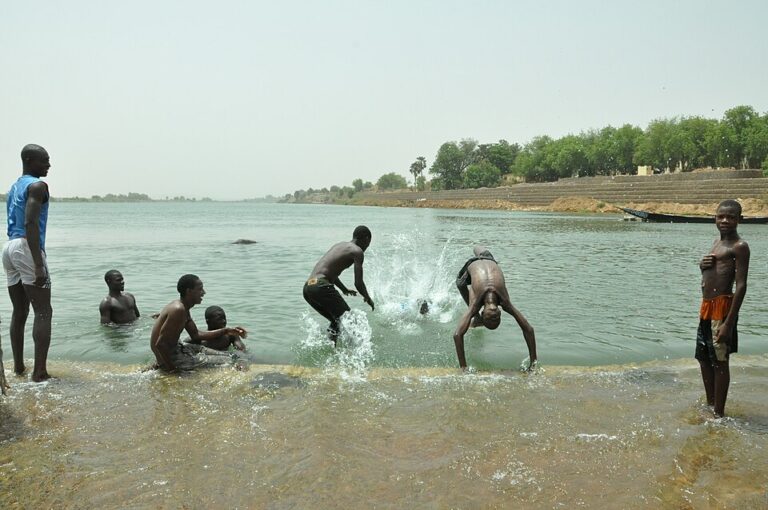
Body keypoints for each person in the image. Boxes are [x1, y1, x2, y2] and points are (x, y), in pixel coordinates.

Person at [2, 144, 53, 382]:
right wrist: (38, 264)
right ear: (30, 160)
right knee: (43, 311)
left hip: (9, 247)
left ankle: (19, 367)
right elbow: (31, 223)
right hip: (26, 246)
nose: (48, 165)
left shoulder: (15, 186)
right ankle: (39, 373)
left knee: (19, 311)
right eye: (44, 161)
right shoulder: (37, 186)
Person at [696, 199, 750, 418]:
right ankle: (710, 404)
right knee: (703, 357)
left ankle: (719, 413)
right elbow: (714, 273)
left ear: (740, 220)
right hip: (707, 308)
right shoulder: (716, 243)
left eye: (731, 217)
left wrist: (728, 323)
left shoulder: (739, 246)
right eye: (721, 216)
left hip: (723, 309)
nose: (725, 220)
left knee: (720, 360)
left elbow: (742, 285)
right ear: (714, 219)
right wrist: (702, 267)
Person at [453, 246, 537, 370]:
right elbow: (457, 335)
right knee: (460, 284)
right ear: (500, 310)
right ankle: (475, 319)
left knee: (477, 248)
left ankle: (475, 244)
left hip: (489, 259)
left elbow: (529, 330)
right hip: (474, 265)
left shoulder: (504, 302)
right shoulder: (478, 304)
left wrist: (533, 362)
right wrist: (533, 364)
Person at [150, 274, 247, 372]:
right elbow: (160, 344)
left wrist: (226, 330)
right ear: (189, 291)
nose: (204, 292)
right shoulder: (178, 310)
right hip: (173, 357)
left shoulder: (183, 307)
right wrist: (171, 369)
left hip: (178, 348)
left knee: (230, 355)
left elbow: (196, 335)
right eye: (200, 289)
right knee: (230, 360)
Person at [303, 225, 374, 345]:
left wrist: (344, 289)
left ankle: (332, 349)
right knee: (350, 321)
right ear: (366, 239)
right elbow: (358, 283)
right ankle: (356, 354)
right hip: (321, 286)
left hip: (308, 288)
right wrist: (367, 297)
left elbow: (329, 272)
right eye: (368, 244)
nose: (367, 247)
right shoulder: (357, 251)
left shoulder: (339, 245)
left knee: (336, 321)